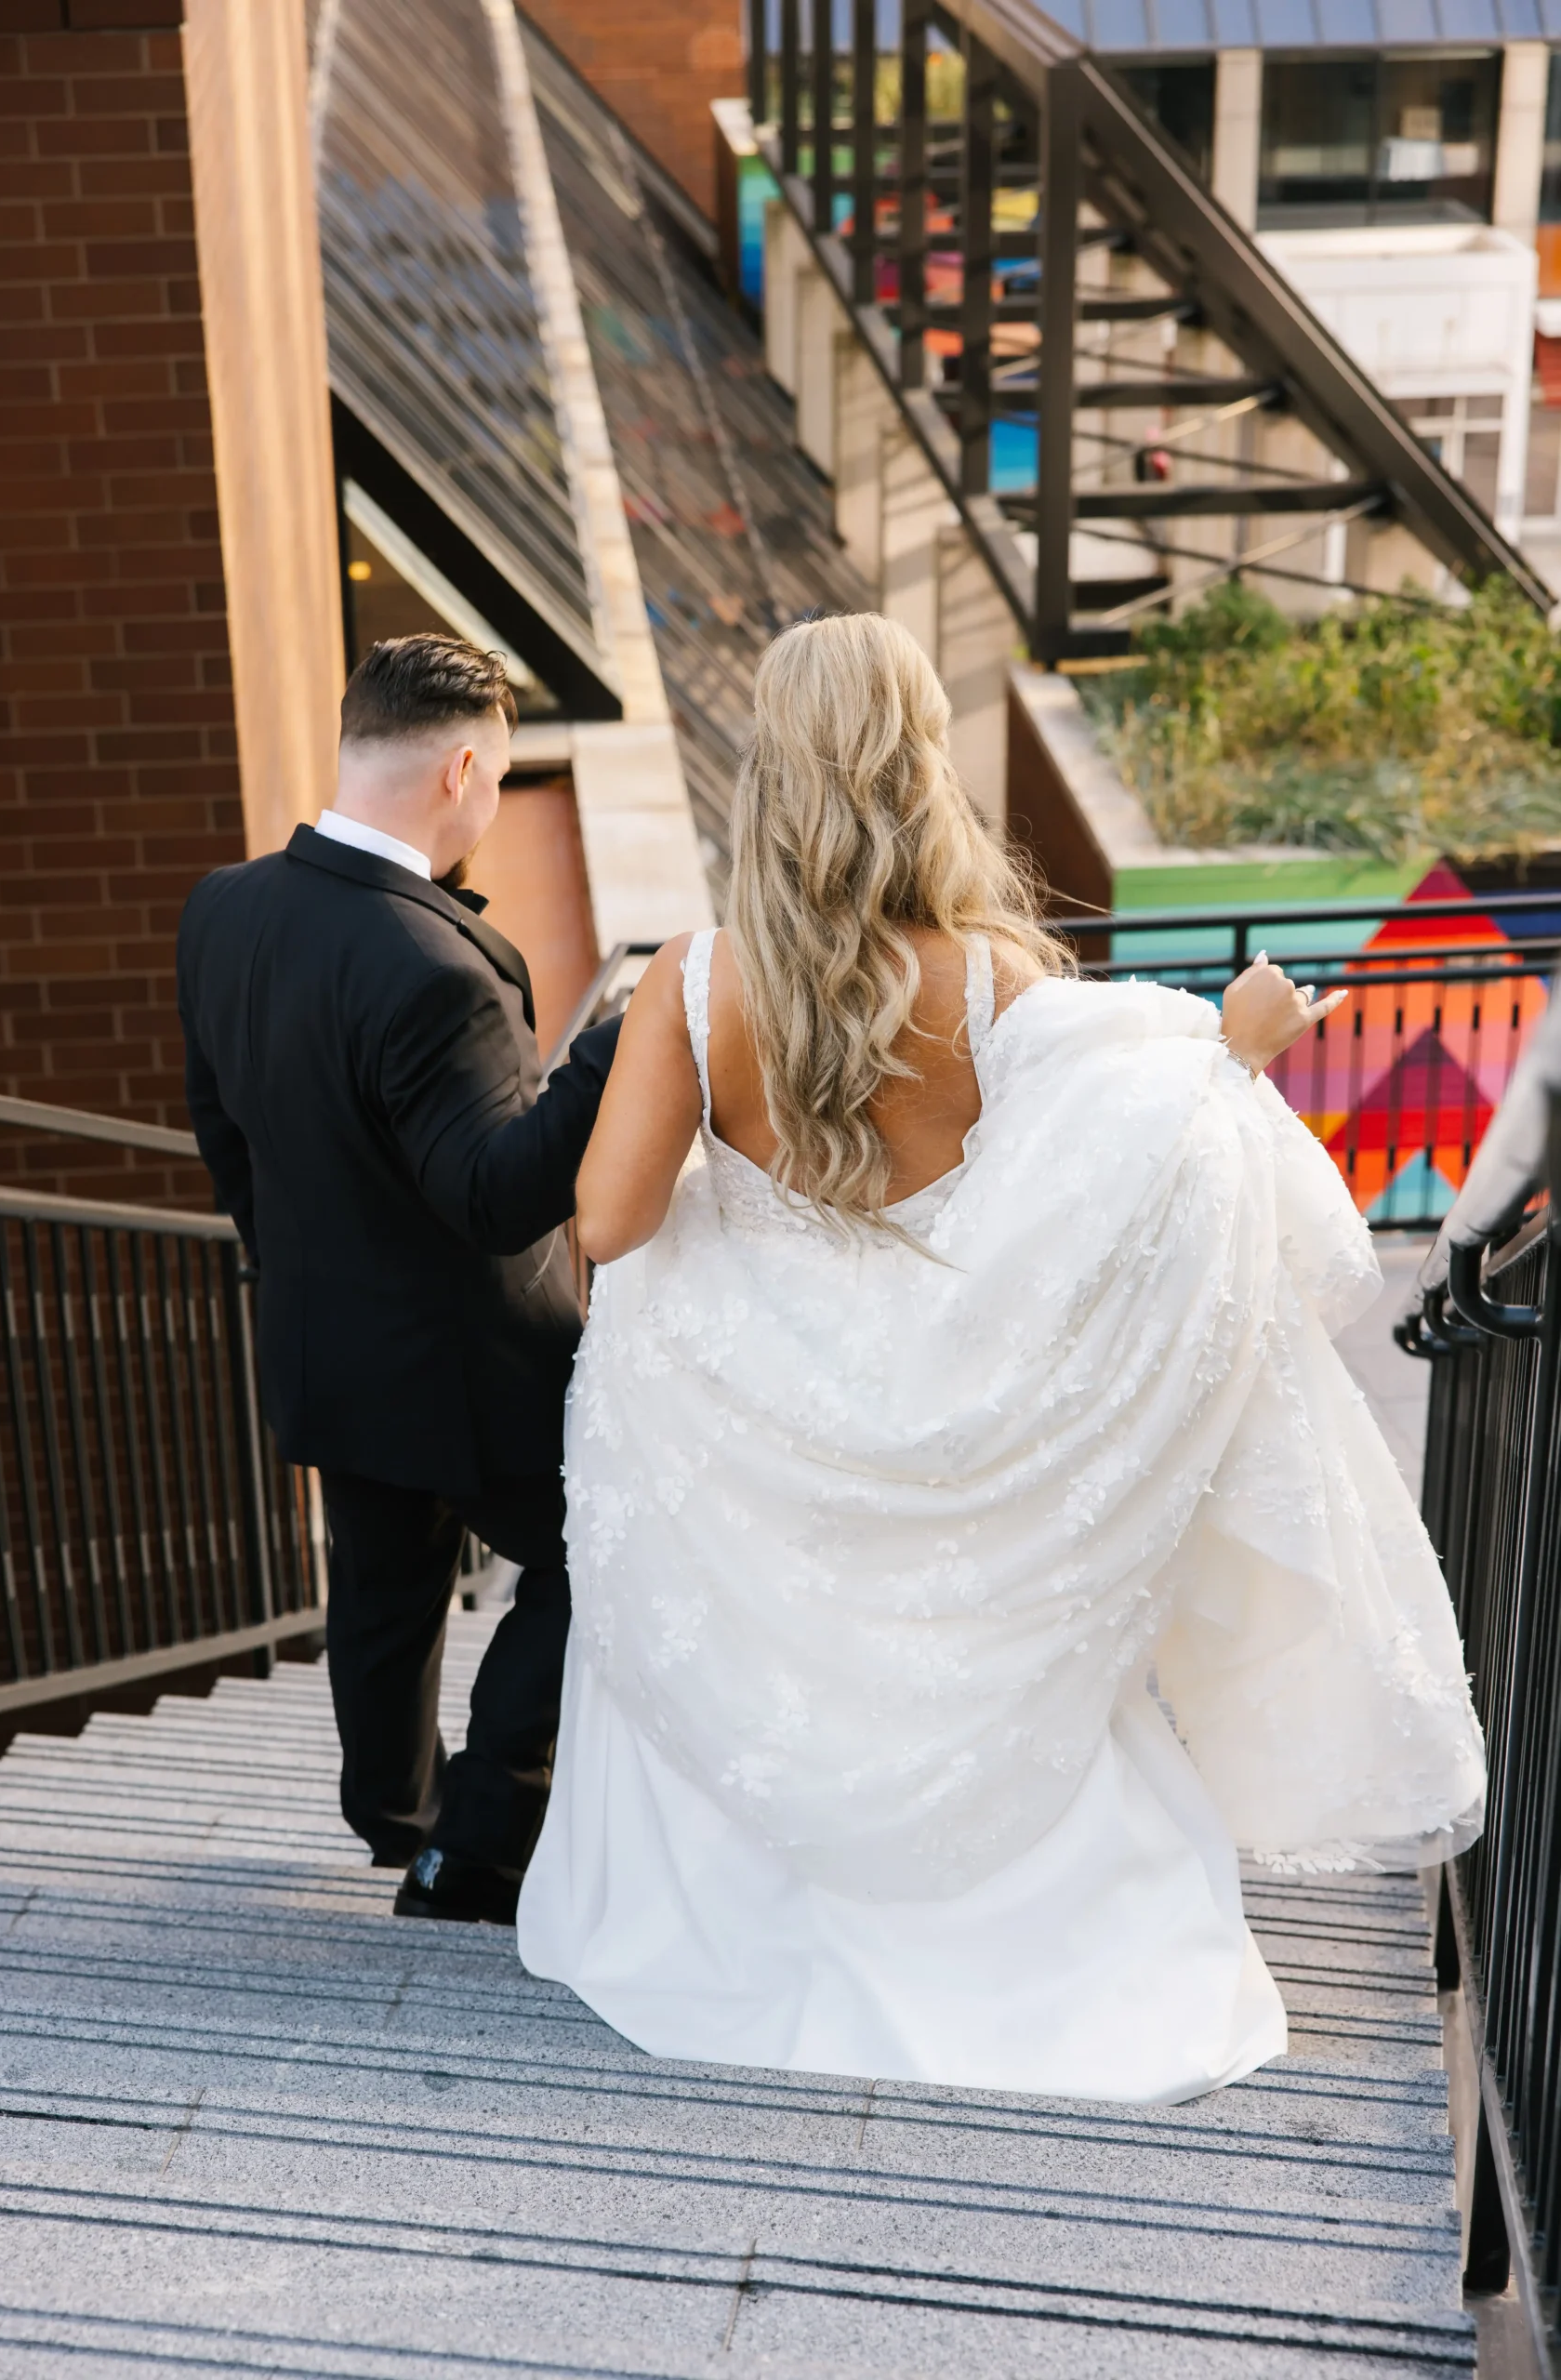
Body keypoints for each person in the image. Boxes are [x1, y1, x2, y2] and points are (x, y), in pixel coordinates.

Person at [516, 612, 1485, 2104]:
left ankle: (744, 1917)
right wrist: (1232, 1056)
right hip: (948, 1398)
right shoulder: (995, 980)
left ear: (773, 770)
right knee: (946, 1645)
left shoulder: (696, 985)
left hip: (757, 1417)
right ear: (918, 765)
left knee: (735, 1558)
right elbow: (1112, 1170)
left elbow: (612, 1223)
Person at [178, 634, 621, 1926]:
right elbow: (492, 1193)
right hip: (473, 1365)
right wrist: (606, 1058)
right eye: (501, 780)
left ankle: (393, 1814)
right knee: (604, 1552)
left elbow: (224, 1134)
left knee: (383, 1587)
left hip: (325, 1341)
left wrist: (302, 1271)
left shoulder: (224, 910)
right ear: (463, 769)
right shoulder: (437, 970)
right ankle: (474, 1841)